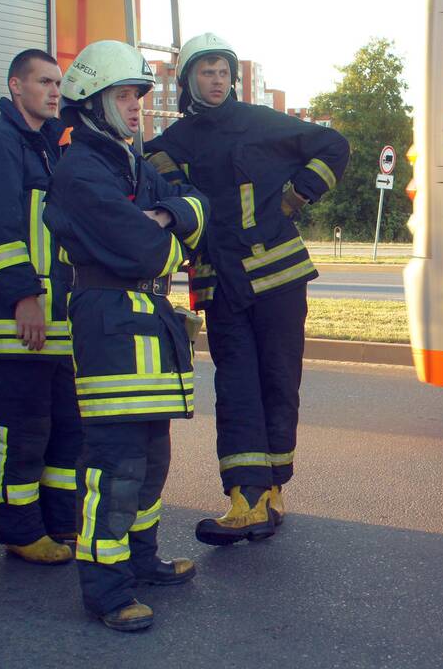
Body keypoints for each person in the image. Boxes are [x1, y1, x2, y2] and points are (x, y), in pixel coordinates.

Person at [144, 33, 349, 546]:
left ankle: (272, 489)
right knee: (237, 389)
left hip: (279, 278)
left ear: (232, 77)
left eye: (222, 72)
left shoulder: (260, 121)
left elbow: (334, 146)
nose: (216, 81)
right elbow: (154, 181)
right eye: (205, 72)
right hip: (221, 284)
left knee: (279, 381)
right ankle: (244, 497)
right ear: (188, 79)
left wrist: (299, 194)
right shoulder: (174, 142)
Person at [44, 40, 206, 631]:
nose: (138, 105)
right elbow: (149, 250)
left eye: (139, 94)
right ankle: (107, 591)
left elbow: (197, 208)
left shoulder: (130, 163)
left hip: (146, 323)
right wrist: (170, 229)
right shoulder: (81, 171)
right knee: (115, 466)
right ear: (90, 103)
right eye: (124, 95)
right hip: (111, 324)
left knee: (152, 457)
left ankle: (140, 560)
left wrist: (167, 216)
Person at [0, 49, 80, 566]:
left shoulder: (48, 147)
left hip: (53, 322)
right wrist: (24, 297)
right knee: (22, 430)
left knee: (63, 430)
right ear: (15, 86)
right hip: (13, 320)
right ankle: (19, 530)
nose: (55, 91)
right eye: (44, 82)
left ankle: (56, 525)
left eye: (58, 83)